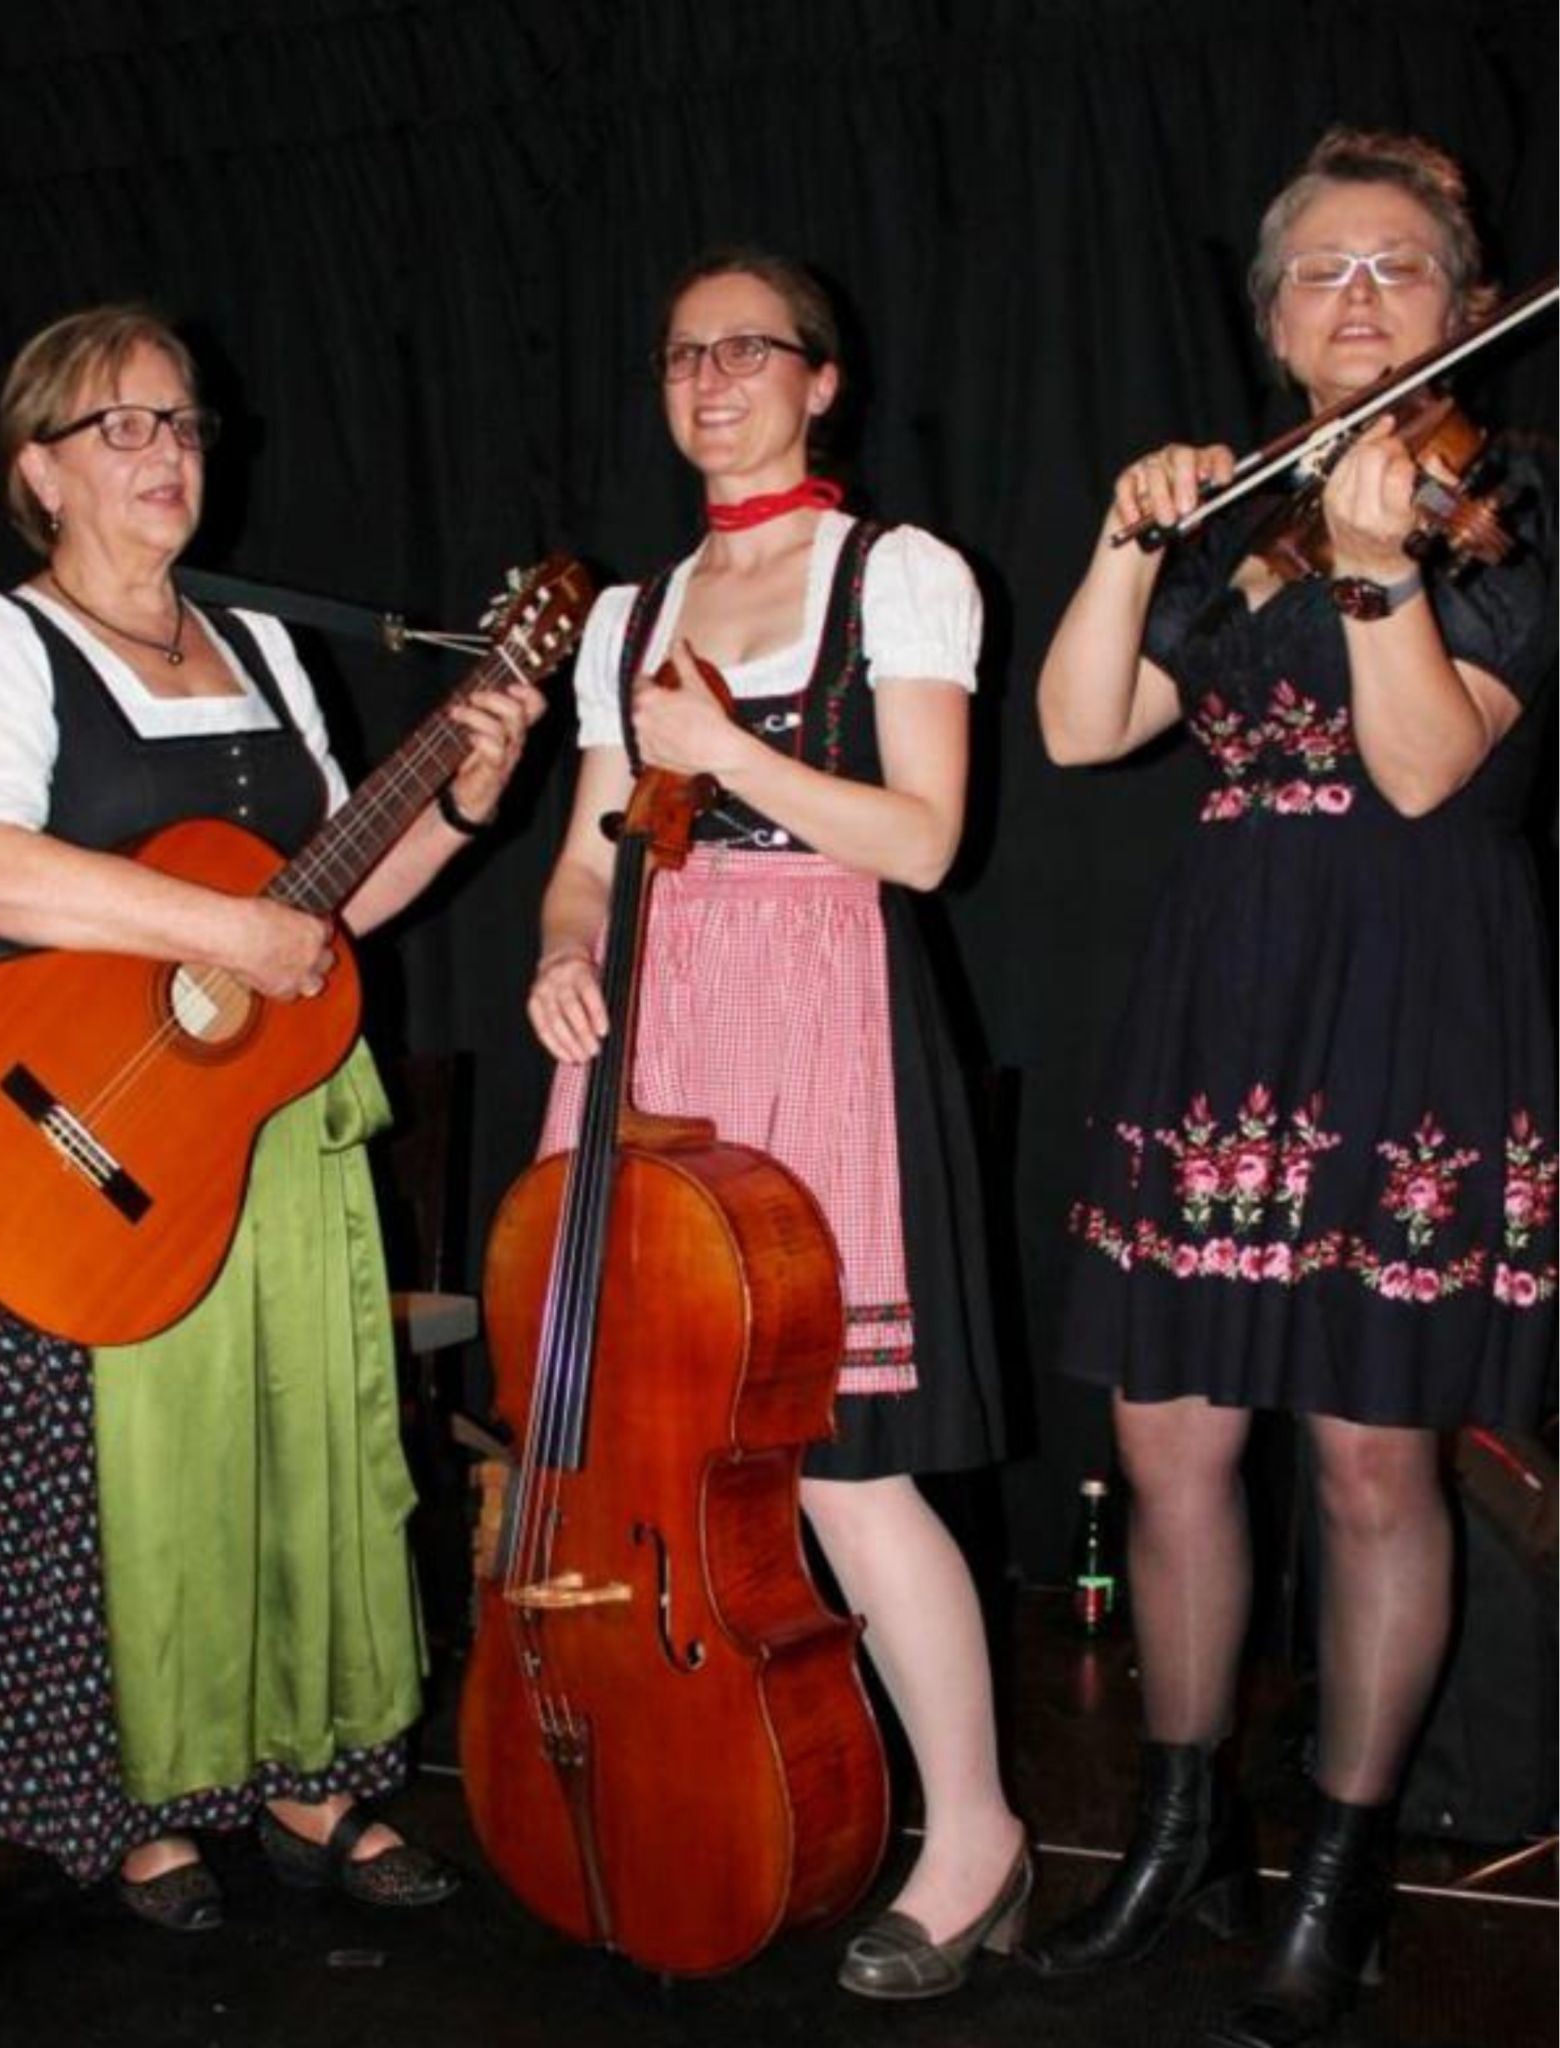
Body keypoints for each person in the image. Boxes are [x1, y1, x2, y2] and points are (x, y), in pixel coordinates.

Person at [0, 304, 545, 1932]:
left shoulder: (258, 647)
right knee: (121, 1489)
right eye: (120, 425)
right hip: (77, 1141)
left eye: (183, 422)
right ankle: (137, 1803)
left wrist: (465, 800)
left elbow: (323, 919)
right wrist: (223, 931)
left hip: (262, 1132)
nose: (167, 453)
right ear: (40, 468)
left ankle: (307, 1774)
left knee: (297, 1455)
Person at [1026, 130, 1555, 2048]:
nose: (1358, 297)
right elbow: (1083, 729)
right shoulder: (1243, 513)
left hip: (1409, 998)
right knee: (1168, 1437)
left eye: (1398, 267)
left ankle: (1343, 1878)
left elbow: (1422, 769)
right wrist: (1127, 534)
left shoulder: (1511, 502)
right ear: (1270, 319)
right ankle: (1180, 1840)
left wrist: (1377, 563)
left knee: (1367, 1458)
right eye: (1320, 270)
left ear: (1464, 306)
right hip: (1228, 996)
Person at [525, 246, 1028, 2000]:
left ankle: (978, 1835)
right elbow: (587, 858)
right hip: (651, 1026)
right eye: (684, 354)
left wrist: (728, 753)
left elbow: (923, 841)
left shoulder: (897, 576)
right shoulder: (630, 613)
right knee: (642, 1455)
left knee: (847, 1468)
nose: (712, 378)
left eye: (749, 349)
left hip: (819, 1011)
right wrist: (562, 953)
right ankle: (699, 1787)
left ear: (823, 381)